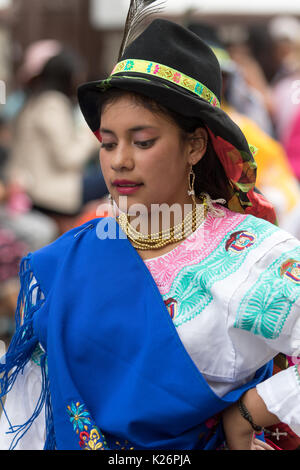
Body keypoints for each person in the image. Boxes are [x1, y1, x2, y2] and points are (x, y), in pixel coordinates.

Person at [0, 4, 300, 451]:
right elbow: (29, 408)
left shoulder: (250, 256)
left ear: (195, 145)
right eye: (107, 143)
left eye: (143, 142)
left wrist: (250, 410)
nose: (120, 160)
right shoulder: (72, 255)